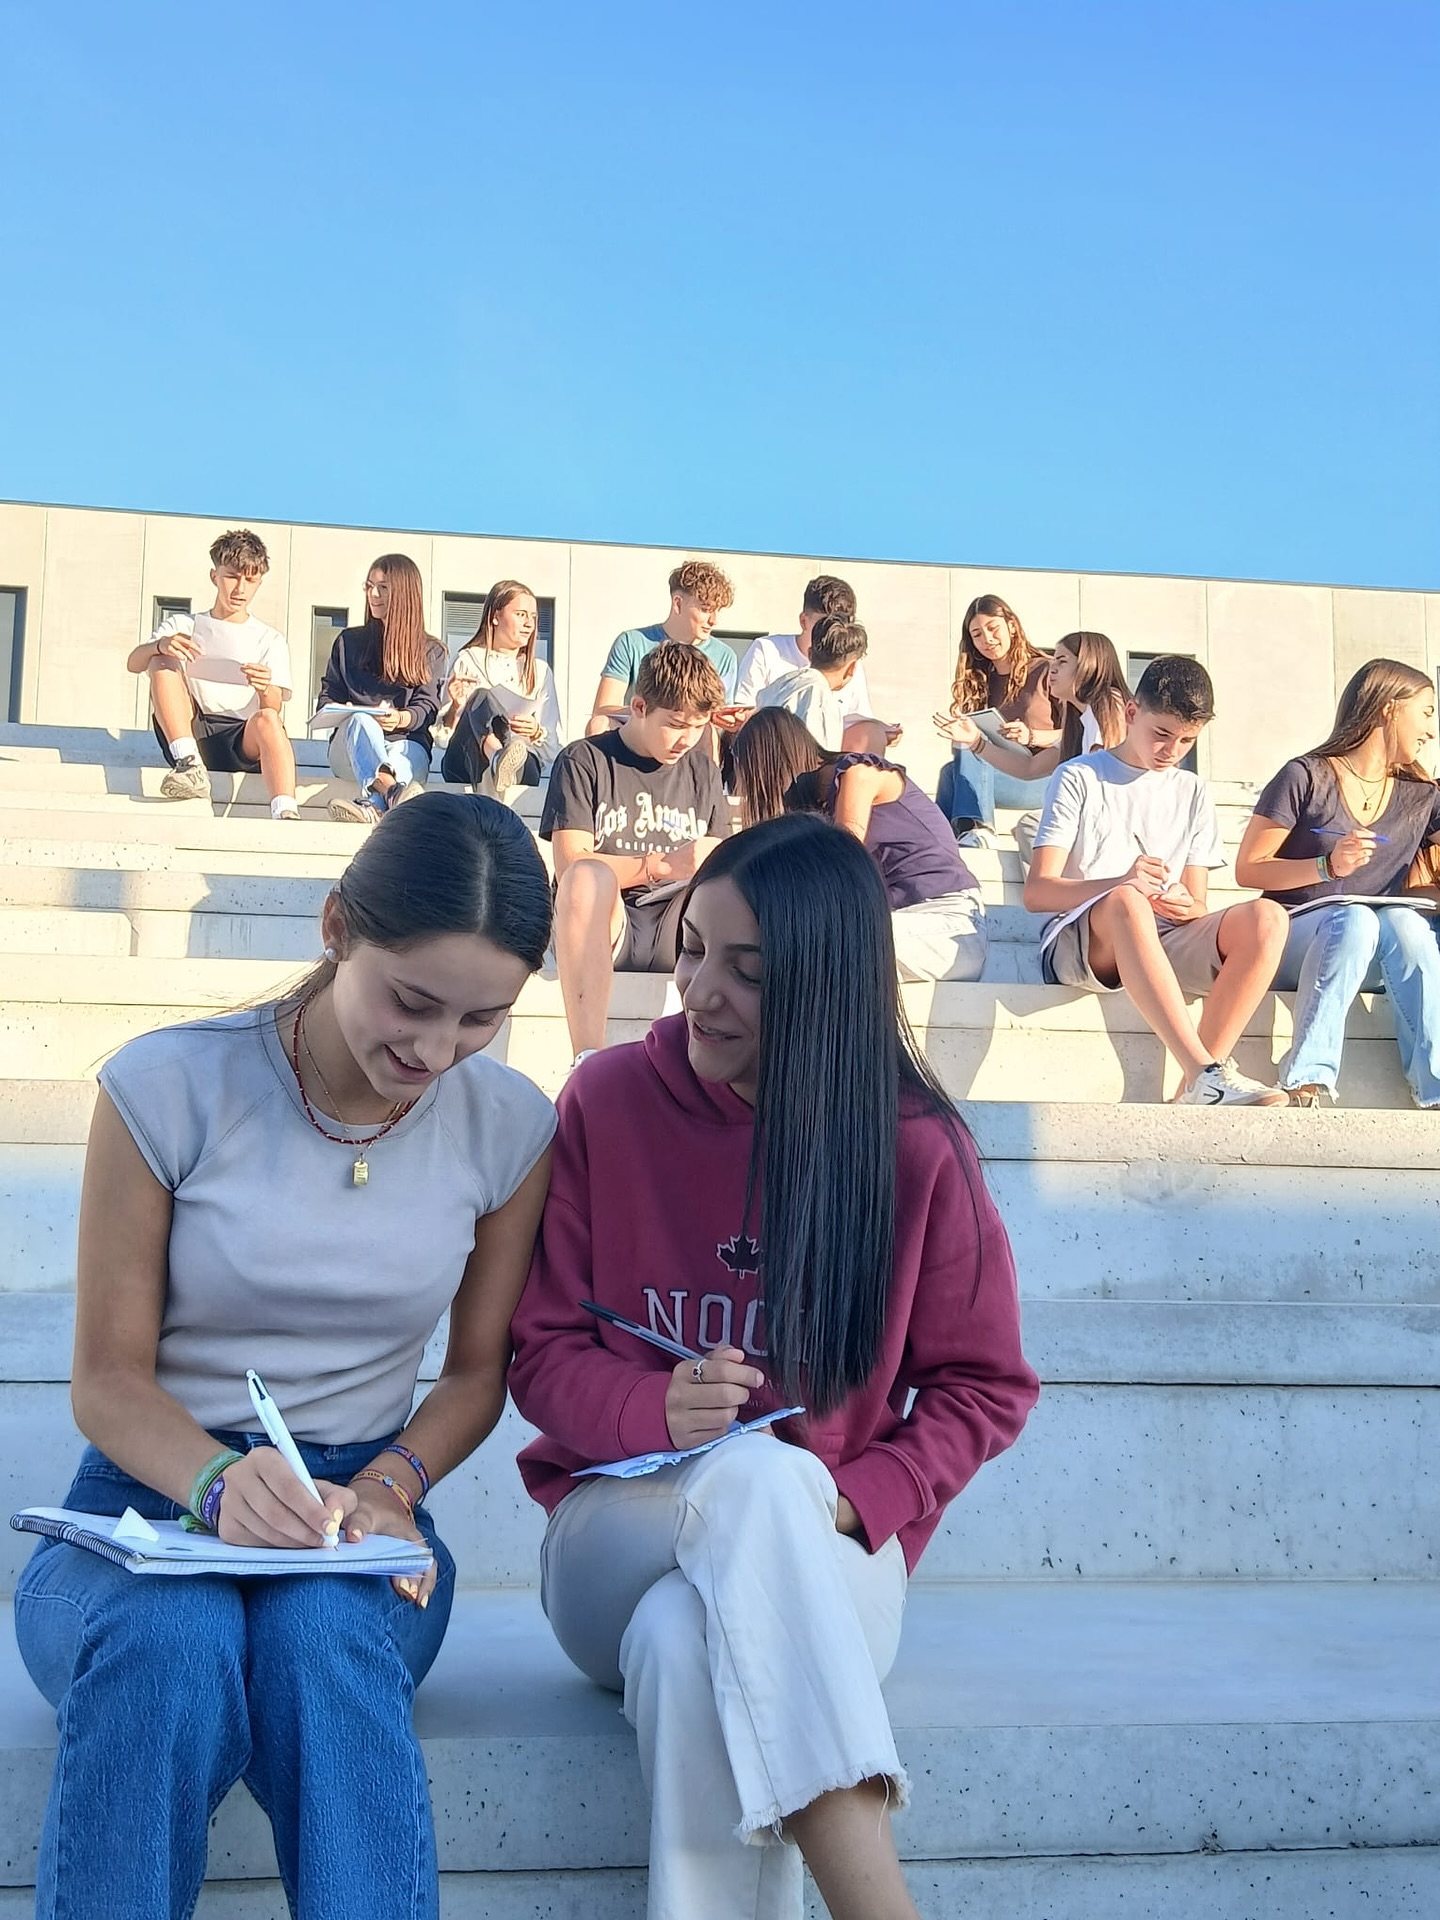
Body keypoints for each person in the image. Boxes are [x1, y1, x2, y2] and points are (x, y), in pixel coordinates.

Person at [13, 793, 557, 1920]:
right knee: (169, 1639)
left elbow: (475, 1375)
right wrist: (216, 1483)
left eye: (482, 1019)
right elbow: (106, 1380)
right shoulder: (166, 1087)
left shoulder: (507, 1125)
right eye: (411, 1002)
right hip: (147, 1503)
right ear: (336, 926)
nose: (435, 1051)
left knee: (321, 1638)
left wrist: (392, 1486)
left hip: (362, 1514)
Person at [508, 813, 1038, 1920]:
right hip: (614, 1534)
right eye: (693, 948)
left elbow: (986, 1386)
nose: (699, 991)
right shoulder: (607, 1101)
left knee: (685, 1643)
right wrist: (651, 1406)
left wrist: (858, 1497)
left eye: (747, 972)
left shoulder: (914, 1147)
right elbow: (542, 1354)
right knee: (753, 1478)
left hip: (829, 1550)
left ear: (828, 985)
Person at [1024, 656, 1290, 1106]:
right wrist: (1121, 882)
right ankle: (1204, 1073)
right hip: (1081, 940)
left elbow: (1198, 904)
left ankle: (1195, 1090)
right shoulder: (1079, 776)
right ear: (1132, 713)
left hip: (1160, 936)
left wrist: (1186, 905)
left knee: (1268, 917)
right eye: (1161, 733)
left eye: (1187, 740)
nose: (1172, 750)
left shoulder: (1193, 791)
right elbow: (1038, 892)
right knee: (1128, 900)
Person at [1234, 658, 1440, 1108]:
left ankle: (1436, 1086)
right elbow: (1248, 868)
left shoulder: (1422, 796)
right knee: (1355, 920)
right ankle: (1305, 1077)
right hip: (1294, 941)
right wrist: (1327, 867)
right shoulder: (1305, 775)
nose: (1431, 730)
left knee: (1406, 924)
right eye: (1426, 712)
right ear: (1389, 708)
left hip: (1374, 954)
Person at [544, 643, 732, 1065]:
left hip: (681, 923)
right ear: (640, 707)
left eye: (699, 726)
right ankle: (587, 1059)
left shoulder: (703, 770)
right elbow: (571, 863)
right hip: (608, 919)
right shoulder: (584, 759)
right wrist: (662, 865)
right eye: (676, 724)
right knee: (586, 878)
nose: (687, 739)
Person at [729, 707, 987, 982]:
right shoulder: (817, 809)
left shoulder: (858, 773)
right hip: (893, 923)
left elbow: (843, 867)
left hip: (946, 924)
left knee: (804, 947)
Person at [126, 527, 300, 821]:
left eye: (250, 580)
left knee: (269, 720)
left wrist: (264, 687)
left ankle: (285, 811)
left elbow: (272, 707)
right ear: (214, 576)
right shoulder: (184, 624)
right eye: (232, 576)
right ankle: (188, 762)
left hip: (242, 737)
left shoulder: (270, 639)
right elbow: (134, 663)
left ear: (259, 582)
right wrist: (160, 645)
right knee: (161, 660)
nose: (240, 589)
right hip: (192, 728)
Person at [934, 629, 1131, 864]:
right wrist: (976, 742)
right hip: (1090, 821)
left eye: (1062, 661)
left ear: (1090, 663)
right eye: (1053, 661)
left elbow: (1105, 775)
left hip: (1114, 826)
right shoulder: (1078, 722)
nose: (1052, 669)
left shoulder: (1109, 703)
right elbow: (1030, 767)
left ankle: (982, 833)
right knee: (1027, 825)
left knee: (1030, 827)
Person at [318, 553, 446, 824]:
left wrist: (400, 719)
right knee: (361, 719)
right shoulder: (348, 642)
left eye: (383, 587)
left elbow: (427, 707)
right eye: (369, 586)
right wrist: (344, 711)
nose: (373, 594)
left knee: (402, 754)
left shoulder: (431, 650)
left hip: (406, 745)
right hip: (350, 749)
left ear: (404, 593)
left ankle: (372, 806)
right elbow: (327, 696)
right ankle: (392, 791)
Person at [935, 593, 1061, 846]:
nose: (987, 639)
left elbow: (1077, 732)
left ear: (1012, 626)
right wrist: (960, 736)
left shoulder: (1046, 671)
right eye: (977, 634)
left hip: (1046, 776)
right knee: (950, 771)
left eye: (993, 628)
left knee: (974, 747)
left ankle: (979, 829)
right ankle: (940, 840)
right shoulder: (981, 681)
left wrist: (1032, 736)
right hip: (1005, 772)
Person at [736, 574, 895, 751]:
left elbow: (858, 720)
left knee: (872, 733)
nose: (833, 631)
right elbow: (744, 711)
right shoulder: (767, 649)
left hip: (831, 754)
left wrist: (882, 732)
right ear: (804, 621)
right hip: (773, 749)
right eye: (825, 623)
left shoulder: (850, 662)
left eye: (841, 623)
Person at [437, 579, 564, 799]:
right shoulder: (468, 659)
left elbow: (553, 747)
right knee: (481, 697)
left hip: (522, 762)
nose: (529, 624)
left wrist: (536, 732)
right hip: (465, 761)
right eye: (521, 614)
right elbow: (442, 740)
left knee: (518, 750)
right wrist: (456, 707)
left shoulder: (540, 671)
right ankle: (497, 754)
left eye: (534, 617)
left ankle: (502, 759)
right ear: (495, 616)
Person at [585, 559, 738, 735]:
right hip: (640, 734)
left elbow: (719, 718)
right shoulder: (631, 642)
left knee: (709, 733)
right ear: (678, 603)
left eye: (718, 610)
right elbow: (603, 709)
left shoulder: (725, 656)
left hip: (693, 738)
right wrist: (659, 715)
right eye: (706, 609)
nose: (714, 620)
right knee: (599, 724)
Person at [755, 614, 870, 750]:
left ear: (810, 653)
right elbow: (816, 758)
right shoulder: (820, 700)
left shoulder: (781, 685)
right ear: (852, 667)